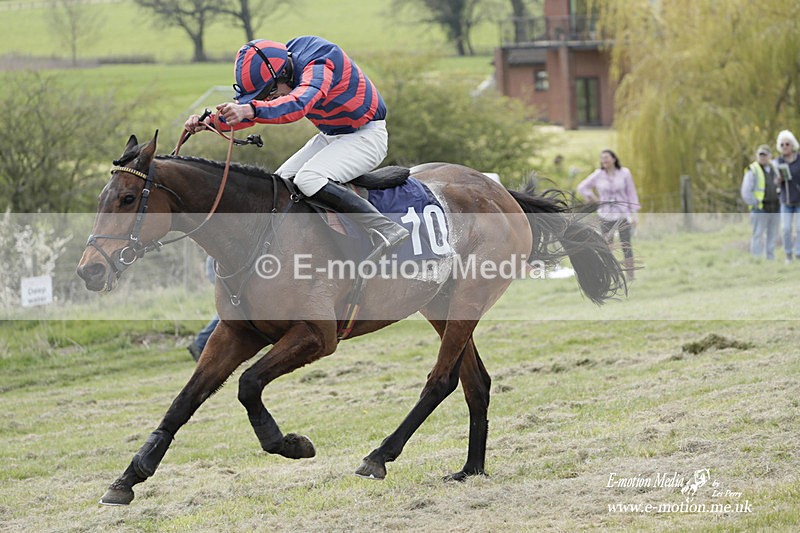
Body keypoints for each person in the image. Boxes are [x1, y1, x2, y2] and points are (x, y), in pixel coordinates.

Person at [184, 36, 408, 259]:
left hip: (367, 136)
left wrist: (251, 109)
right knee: (280, 182)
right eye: (264, 97)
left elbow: (298, 105)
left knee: (308, 178)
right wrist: (210, 122)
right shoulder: (283, 62)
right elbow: (248, 112)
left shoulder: (320, 61)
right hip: (332, 136)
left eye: (269, 94)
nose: (269, 99)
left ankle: (386, 228)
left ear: (283, 75)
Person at [577, 149, 640, 280]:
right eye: (602, 158)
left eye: (607, 158)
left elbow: (631, 193)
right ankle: (611, 274)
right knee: (607, 245)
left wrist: (634, 214)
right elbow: (582, 187)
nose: (604, 160)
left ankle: (630, 275)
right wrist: (594, 199)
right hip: (605, 214)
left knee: (625, 244)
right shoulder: (598, 174)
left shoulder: (624, 173)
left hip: (622, 214)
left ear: (614, 159)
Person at [741, 144, 780, 260]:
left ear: (770, 156)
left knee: (772, 236)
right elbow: (746, 191)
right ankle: (757, 260)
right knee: (758, 235)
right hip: (760, 208)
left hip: (775, 208)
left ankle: (770, 260)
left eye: (765, 155)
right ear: (757, 156)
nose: (762, 157)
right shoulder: (753, 170)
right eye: (760, 155)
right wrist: (755, 203)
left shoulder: (775, 168)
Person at [775, 130, 800, 263]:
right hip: (786, 201)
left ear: (792, 145)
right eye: (782, 144)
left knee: (799, 228)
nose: (785, 146)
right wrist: (778, 180)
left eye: (787, 144)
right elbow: (774, 181)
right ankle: (788, 254)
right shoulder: (777, 161)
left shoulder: (799, 159)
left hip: (799, 200)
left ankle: (799, 253)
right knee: (786, 229)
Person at [188, 255, 219, 362]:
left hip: (216, 265)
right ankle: (199, 344)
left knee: (229, 313)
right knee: (228, 314)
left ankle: (200, 343)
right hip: (217, 266)